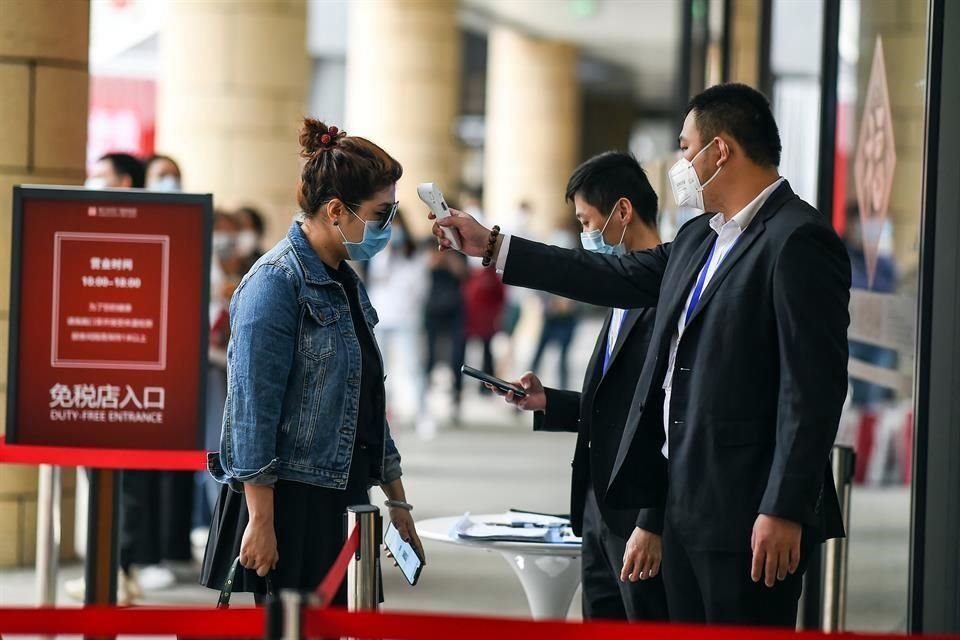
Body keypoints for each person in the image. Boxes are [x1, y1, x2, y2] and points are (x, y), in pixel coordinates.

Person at [432, 83, 850, 627]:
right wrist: (493, 246)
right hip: (680, 506)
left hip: (747, 514)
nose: (680, 163)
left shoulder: (797, 239)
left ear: (720, 150)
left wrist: (783, 505)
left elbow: (811, 390)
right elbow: (607, 274)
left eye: (685, 147)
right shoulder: (702, 237)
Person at [201, 119, 424, 603]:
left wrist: (397, 497)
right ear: (337, 210)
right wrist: (261, 521)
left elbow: (365, 398)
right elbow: (251, 411)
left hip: (342, 495)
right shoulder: (274, 283)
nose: (388, 228)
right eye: (381, 214)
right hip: (289, 504)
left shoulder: (342, 278)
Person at [492, 151, 669, 622]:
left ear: (623, 212)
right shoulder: (621, 298)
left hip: (638, 515)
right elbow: (619, 401)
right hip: (596, 509)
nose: (585, 235)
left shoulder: (667, 293)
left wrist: (654, 521)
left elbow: (669, 415)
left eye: (587, 221)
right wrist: (548, 401)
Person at [365, 210, 429, 425]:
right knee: (380, 368)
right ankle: (383, 412)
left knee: (412, 365)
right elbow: (374, 279)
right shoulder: (376, 253)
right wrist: (386, 252)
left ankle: (422, 412)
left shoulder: (414, 255)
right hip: (381, 316)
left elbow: (420, 287)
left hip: (406, 317)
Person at [528, 219, 582, 389]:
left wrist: (570, 303)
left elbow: (584, 292)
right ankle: (525, 386)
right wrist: (550, 303)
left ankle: (563, 389)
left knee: (563, 356)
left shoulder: (577, 265)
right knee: (538, 354)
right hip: (551, 316)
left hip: (567, 318)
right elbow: (537, 287)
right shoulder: (547, 266)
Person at [423, 244, 468, 426]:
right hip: (433, 310)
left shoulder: (460, 250)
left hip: (455, 310)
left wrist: (450, 260)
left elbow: (464, 274)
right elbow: (424, 270)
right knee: (430, 357)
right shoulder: (429, 247)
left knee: (457, 356)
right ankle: (425, 403)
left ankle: (456, 400)